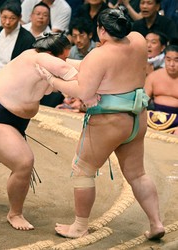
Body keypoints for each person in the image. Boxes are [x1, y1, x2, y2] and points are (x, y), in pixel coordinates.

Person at [37, 7, 165, 240]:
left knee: (82, 170)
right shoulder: (137, 40)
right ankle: (156, 223)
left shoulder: (99, 56)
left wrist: (52, 79)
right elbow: (102, 70)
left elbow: (84, 92)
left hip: (109, 121)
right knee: (137, 174)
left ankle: (79, 226)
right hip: (137, 118)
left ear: (102, 30)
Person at [0, 32, 77, 231]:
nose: (66, 61)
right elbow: (71, 72)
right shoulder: (39, 58)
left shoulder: (45, 58)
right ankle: (15, 213)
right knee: (23, 162)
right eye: (63, 57)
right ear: (52, 53)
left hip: (8, 120)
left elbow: (74, 65)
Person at [145, 42, 178, 135]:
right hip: (153, 116)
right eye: (168, 60)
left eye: (176, 60)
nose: (172, 64)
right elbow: (143, 101)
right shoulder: (154, 76)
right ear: (164, 59)